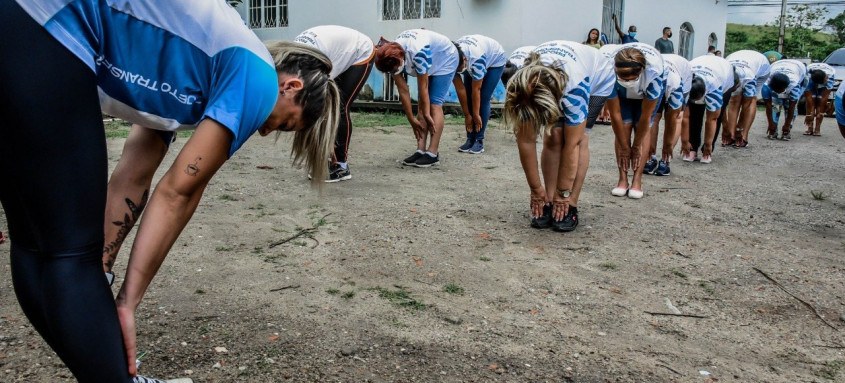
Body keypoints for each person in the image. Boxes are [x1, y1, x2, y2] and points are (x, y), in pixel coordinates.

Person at [1, 1, 339, 382]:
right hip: (49, 23)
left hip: (20, 25)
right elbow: (178, 193)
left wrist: (103, 272)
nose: (265, 131)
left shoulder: (192, 66)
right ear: (290, 86)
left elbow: (134, 177)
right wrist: (127, 302)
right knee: (69, 256)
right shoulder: (257, 77)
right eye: (285, 124)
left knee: (36, 249)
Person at [503, 40, 614, 232]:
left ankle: (570, 203)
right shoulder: (520, 84)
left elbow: (574, 144)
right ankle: (547, 199)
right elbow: (526, 141)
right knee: (554, 135)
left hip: (598, 76)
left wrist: (564, 193)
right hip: (554, 76)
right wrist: (536, 190)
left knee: (578, 138)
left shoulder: (575, 89)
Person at [294, 25, 375, 182]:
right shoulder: (290, 63)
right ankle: (326, 158)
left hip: (360, 51)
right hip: (333, 50)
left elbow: (319, 101)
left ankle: (341, 166)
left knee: (339, 107)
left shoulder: (312, 67)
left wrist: (329, 145)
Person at [374, 29, 460, 167]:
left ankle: (432, 153)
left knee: (433, 104)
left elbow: (423, 87)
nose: (394, 73)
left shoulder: (418, 53)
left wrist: (426, 114)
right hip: (431, 56)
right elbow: (403, 90)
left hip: (446, 59)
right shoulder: (389, 54)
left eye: (395, 69)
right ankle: (420, 150)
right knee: (422, 103)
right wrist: (411, 119)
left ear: (401, 59)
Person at [605, 43, 665, 199]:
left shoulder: (654, 74)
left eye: (631, 78)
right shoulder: (607, 70)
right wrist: (625, 147)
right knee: (623, 128)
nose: (627, 81)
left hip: (645, 95)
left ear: (641, 71)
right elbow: (615, 115)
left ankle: (637, 179)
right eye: (623, 78)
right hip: (621, 95)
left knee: (641, 128)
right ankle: (622, 179)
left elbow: (646, 117)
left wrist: (636, 146)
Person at [455, 34, 507, 154]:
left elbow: (476, 90)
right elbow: (460, 90)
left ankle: (479, 140)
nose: (459, 72)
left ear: (464, 60)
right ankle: (470, 138)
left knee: (483, 98)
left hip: (495, 61)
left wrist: (476, 114)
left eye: (460, 69)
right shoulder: (450, 60)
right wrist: (467, 115)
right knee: (468, 97)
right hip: (472, 57)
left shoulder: (476, 59)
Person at [645, 53, 692, 176]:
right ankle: (650, 156)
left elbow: (675, 117)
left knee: (675, 117)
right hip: (659, 75)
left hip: (679, 75)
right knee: (653, 117)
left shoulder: (675, 84)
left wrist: (667, 145)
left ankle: (666, 158)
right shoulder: (649, 79)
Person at [685, 54, 738, 163]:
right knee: (695, 114)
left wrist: (708, 144)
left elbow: (712, 119)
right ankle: (693, 148)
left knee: (716, 116)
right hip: (701, 67)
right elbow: (685, 117)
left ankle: (708, 150)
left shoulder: (715, 85)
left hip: (722, 75)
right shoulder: (686, 79)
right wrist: (685, 141)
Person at [724, 50, 771, 148]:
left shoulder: (749, 77)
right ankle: (731, 135)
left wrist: (739, 129)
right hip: (738, 59)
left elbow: (747, 104)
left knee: (751, 99)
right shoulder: (725, 74)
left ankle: (744, 136)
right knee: (734, 100)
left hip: (761, 68)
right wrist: (727, 130)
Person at [761, 59, 807, 140]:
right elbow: (768, 106)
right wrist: (771, 123)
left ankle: (787, 131)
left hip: (799, 70)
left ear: (785, 87)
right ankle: (773, 130)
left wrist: (787, 125)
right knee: (775, 105)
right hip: (777, 65)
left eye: (780, 91)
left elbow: (792, 107)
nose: (779, 93)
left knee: (789, 105)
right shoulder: (766, 86)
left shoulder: (794, 85)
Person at [802, 62, 836, 136]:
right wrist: (809, 115)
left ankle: (817, 128)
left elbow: (823, 99)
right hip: (812, 77)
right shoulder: (807, 78)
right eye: (825, 80)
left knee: (820, 103)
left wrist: (820, 113)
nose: (826, 80)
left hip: (823, 74)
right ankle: (809, 127)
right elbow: (808, 98)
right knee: (812, 101)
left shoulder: (829, 78)